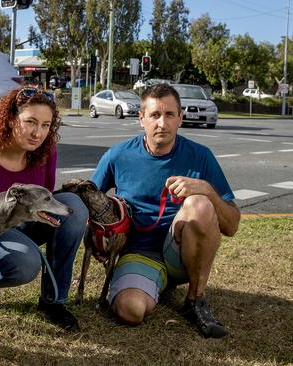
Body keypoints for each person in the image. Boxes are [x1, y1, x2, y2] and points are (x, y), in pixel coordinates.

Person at [91, 83, 240, 338]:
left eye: (170, 115)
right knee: (130, 310)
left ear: (180, 118)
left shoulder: (200, 156)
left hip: (181, 253)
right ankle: (148, 284)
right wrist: (99, 239)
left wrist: (206, 189)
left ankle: (195, 299)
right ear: (141, 119)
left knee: (200, 203)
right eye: (154, 115)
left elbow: (232, 225)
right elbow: (89, 201)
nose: (162, 123)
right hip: (139, 254)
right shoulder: (118, 155)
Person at [0, 87, 88, 331]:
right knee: (25, 262)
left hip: (21, 220)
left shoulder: (46, 149)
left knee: (75, 208)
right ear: (10, 119)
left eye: (45, 125)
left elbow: (44, 197)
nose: (38, 133)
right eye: (30, 122)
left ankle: (54, 302)